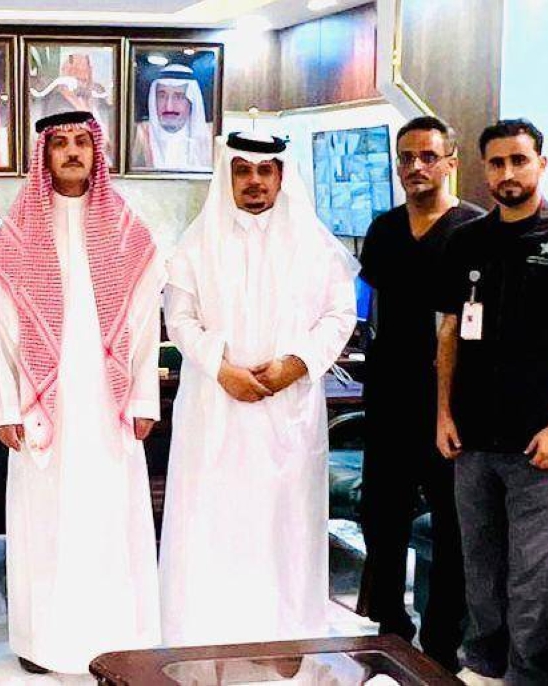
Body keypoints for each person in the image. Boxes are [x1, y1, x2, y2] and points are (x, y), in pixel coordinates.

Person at [159, 132, 358, 646]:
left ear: (281, 176)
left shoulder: (316, 246)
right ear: (227, 176)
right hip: (215, 407)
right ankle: (207, 638)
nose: (254, 181)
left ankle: (285, 639)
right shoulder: (196, 244)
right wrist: (222, 368)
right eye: (242, 170)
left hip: (287, 410)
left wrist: (297, 364)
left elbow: (340, 316)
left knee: (284, 525)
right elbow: (179, 320)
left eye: (264, 170)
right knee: (215, 520)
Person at [0, 111, 163, 674]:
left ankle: (115, 637)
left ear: (95, 151)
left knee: (110, 519)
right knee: (45, 523)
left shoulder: (127, 232)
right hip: (42, 408)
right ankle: (45, 643)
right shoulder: (16, 237)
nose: (71, 152)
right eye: (59, 143)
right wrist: (6, 407)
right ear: (44, 154)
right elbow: (0, 333)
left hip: (109, 406)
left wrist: (144, 399)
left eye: (81, 141)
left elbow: (145, 323)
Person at [436, 119, 548, 686]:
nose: (507, 173)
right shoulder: (466, 240)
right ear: (482, 169)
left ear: (541, 164)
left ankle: (525, 679)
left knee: (531, 580)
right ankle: (482, 670)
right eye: (496, 163)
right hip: (474, 438)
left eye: (518, 160)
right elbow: (450, 330)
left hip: (542, 445)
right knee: (480, 571)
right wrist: (443, 414)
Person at [354, 117, 484, 670]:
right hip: (389, 396)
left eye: (428, 156)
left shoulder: (475, 230)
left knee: (452, 528)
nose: (415, 167)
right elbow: (374, 307)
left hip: (451, 405)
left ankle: (440, 646)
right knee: (380, 518)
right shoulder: (385, 229)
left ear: (451, 162)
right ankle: (390, 631)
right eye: (406, 157)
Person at [129, 64, 212, 171]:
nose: (169, 106)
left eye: (179, 96)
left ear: (192, 101)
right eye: (162, 96)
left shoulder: (209, 137)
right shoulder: (139, 134)